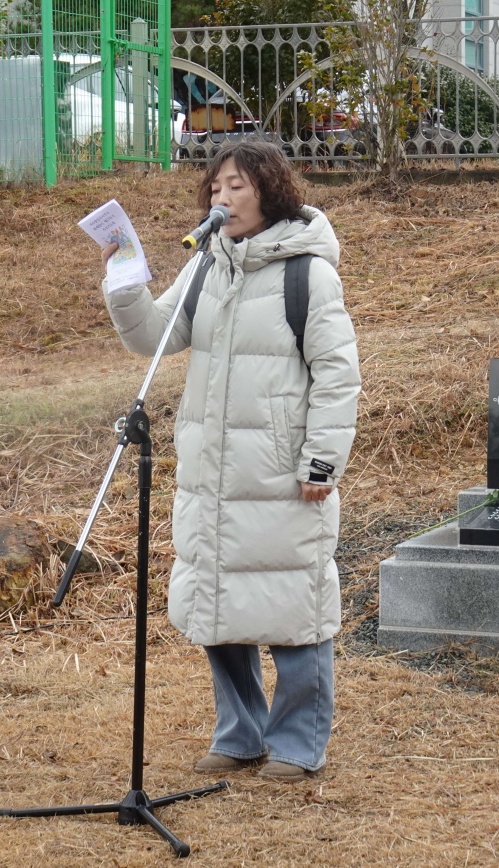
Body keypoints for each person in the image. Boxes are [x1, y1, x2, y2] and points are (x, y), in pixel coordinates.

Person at [99, 141, 360, 782]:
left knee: (295, 608)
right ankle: (240, 735)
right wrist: (124, 279)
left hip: (283, 476)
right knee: (219, 608)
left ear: (269, 191)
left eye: (236, 186)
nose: (222, 199)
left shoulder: (309, 274)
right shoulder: (206, 269)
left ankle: (298, 744)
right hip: (212, 475)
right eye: (215, 188)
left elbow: (337, 375)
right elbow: (151, 338)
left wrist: (321, 462)